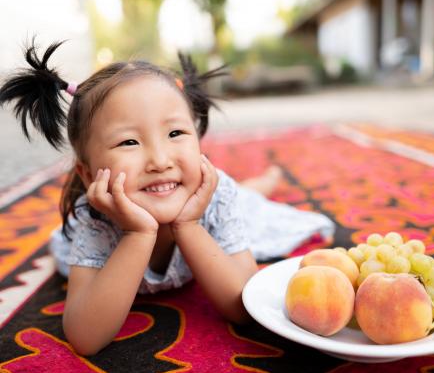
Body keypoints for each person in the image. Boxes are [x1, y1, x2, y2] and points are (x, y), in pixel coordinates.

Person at [0, 40, 334, 355]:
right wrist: (138, 233)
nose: (160, 161)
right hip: (124, 221)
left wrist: (188, 225)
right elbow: (85, 338)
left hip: (219, 203)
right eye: (129, 142)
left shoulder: (215, 195)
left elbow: (243, 305)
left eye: (175, 133)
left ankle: (266, 180)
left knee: (248, 200)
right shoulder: (96, 217)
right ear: (88, 174)